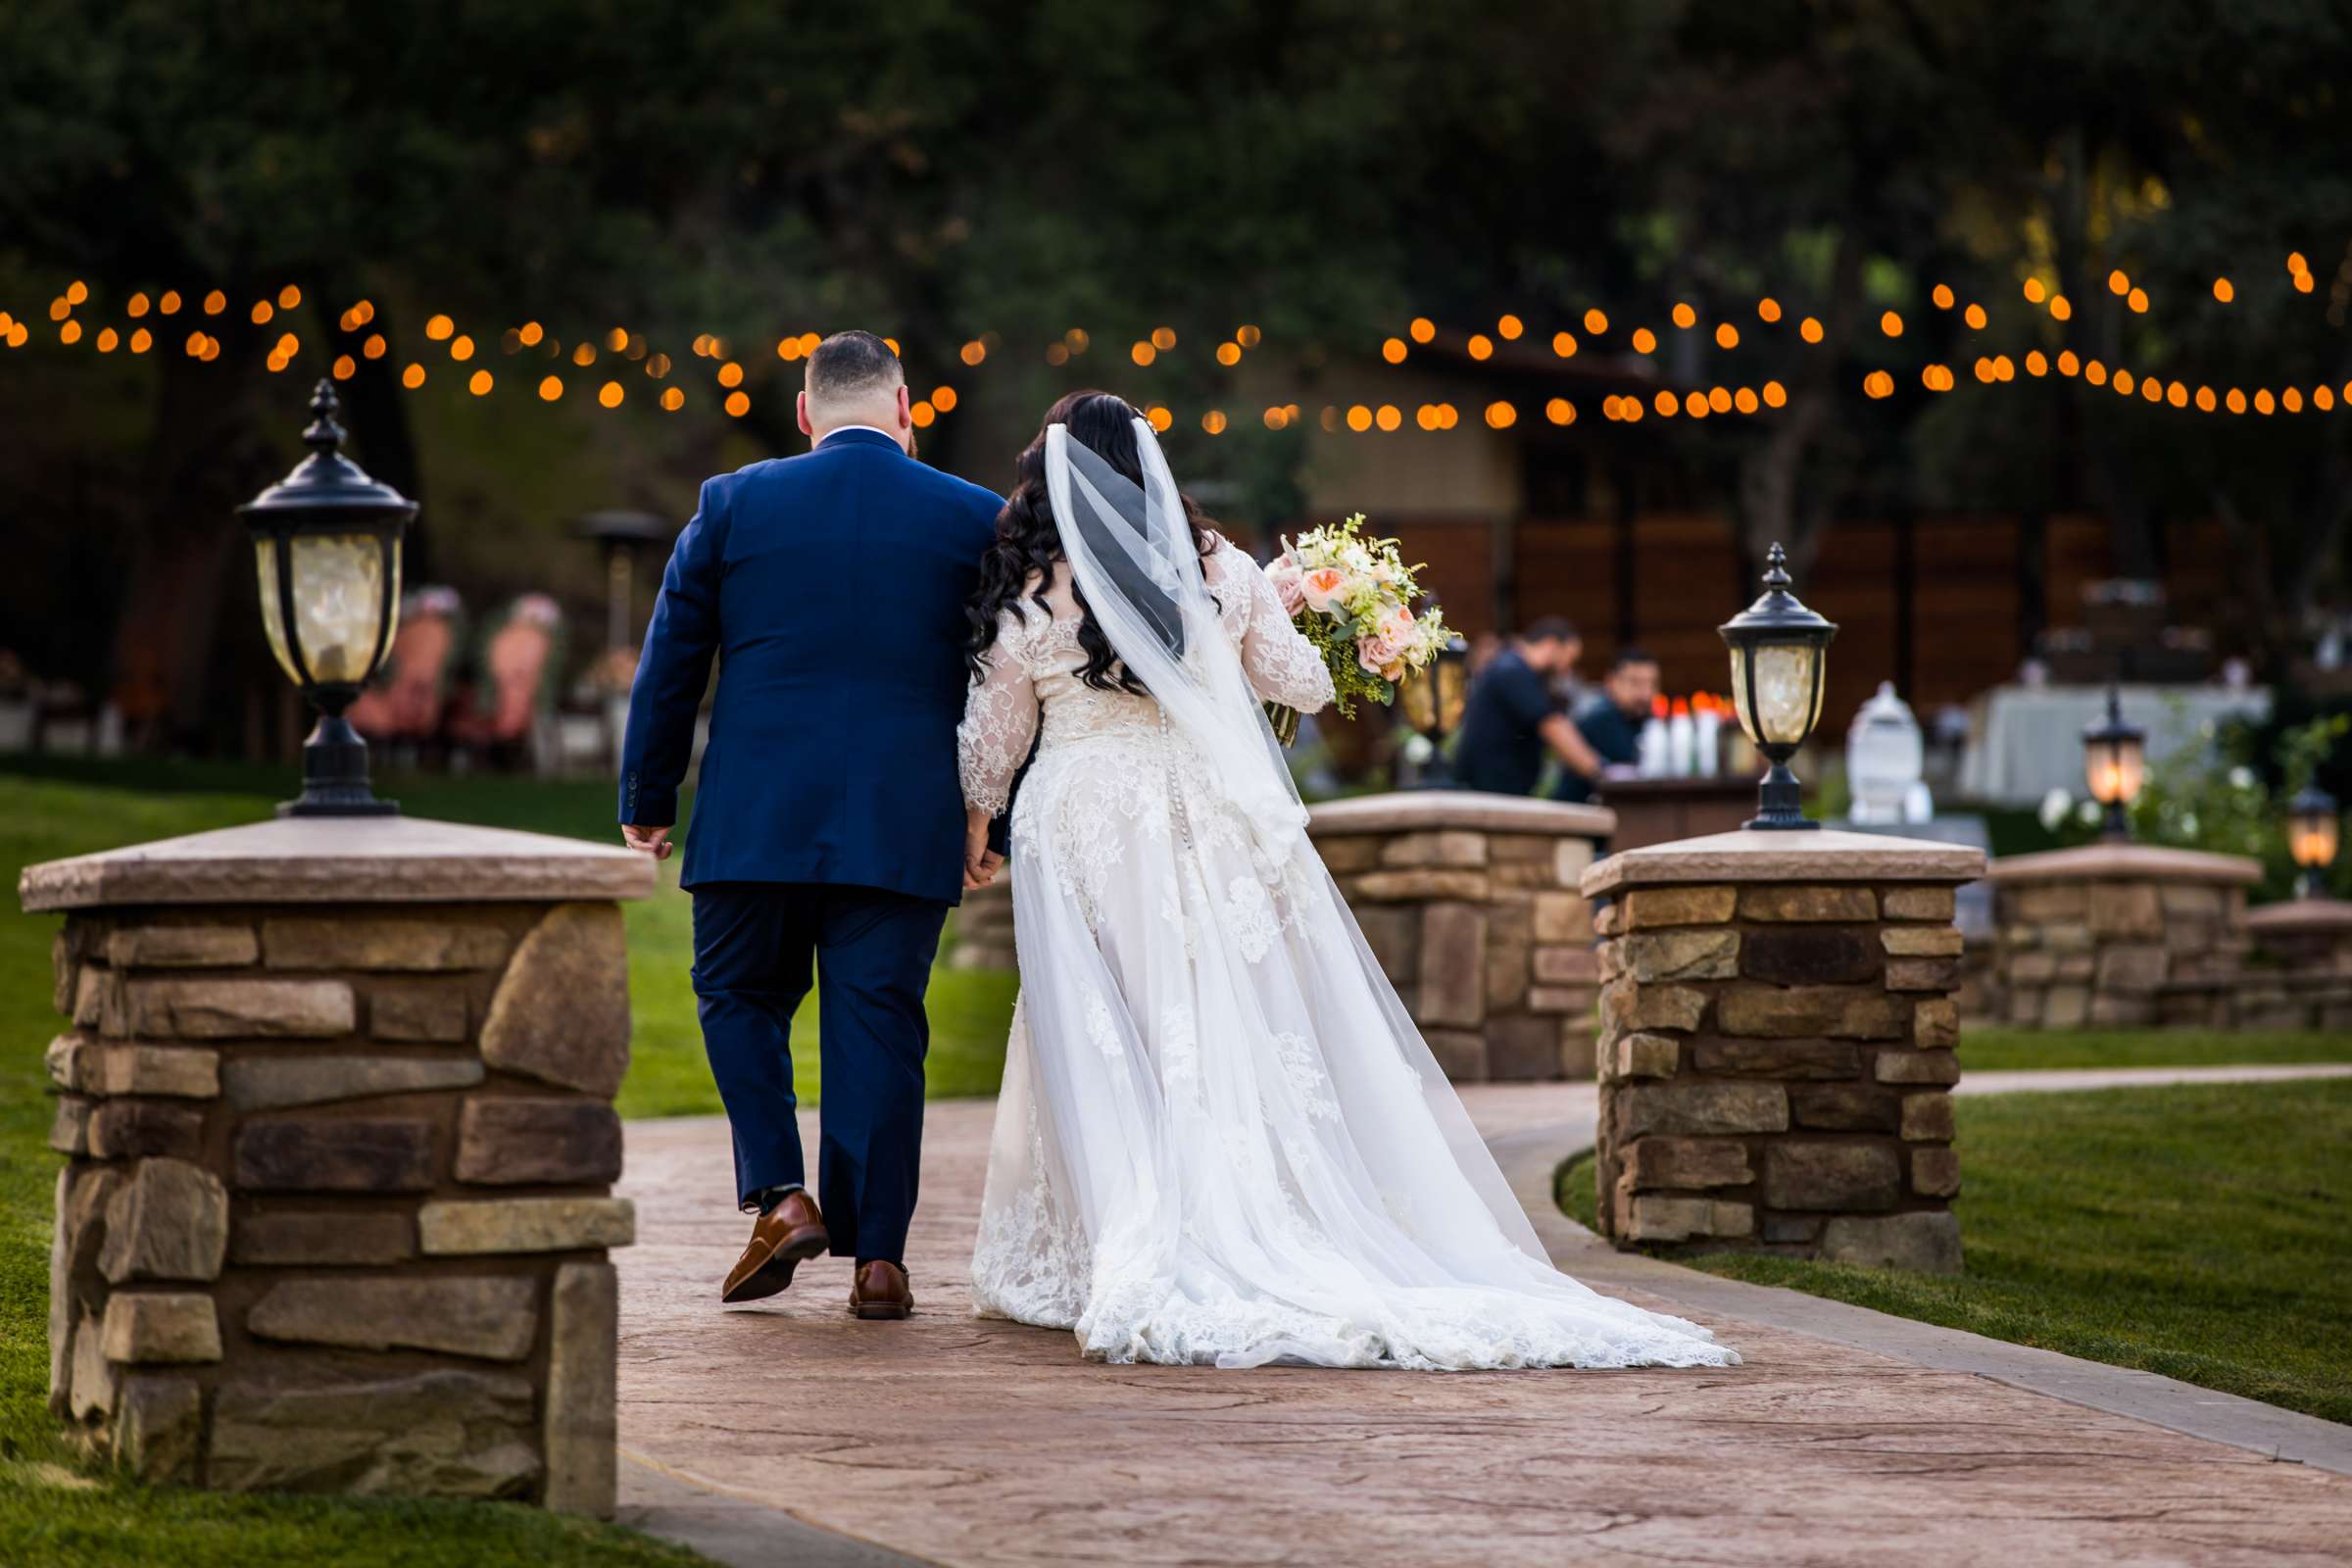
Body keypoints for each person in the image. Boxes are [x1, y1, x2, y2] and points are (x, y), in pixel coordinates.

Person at [955, 391, 1738, 1371]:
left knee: (1102, 1022)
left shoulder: (1030, 584)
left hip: (1082, 816)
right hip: (1205, 810)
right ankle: (1244, 1216)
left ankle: (1115, 1235)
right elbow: (1302, 685)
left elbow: (996, 736)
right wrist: (1294, 604)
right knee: (1212, 1014)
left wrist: (977, 822)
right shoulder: (1219, 569)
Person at [618, 330, 1005, 1322]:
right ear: (907, 407)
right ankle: (880, 1261)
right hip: (903, 816)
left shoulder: (734, 502)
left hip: (758, 812)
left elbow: (672, 662)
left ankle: (782, 1195)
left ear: (804, 412)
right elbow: (1011, 679)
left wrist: (648, 798)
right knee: (880, 1025)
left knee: (738, 994)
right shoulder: (975, 517)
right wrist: (991, 815)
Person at [1451, 617, 1606, 798]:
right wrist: (1600, 772)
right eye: (1568, 658)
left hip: (1499, 791)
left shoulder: (1514, 668)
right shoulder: (1513, 671)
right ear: (1551, 644)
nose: (1567, 670)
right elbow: (1552, 726)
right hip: (1491, 793)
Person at [1553, 647, 1663, 804]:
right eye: (1635, 683)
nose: (1645, 693)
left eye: (1652, 684)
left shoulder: (1651, 722)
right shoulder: (1596, 720)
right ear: (1611, 681)